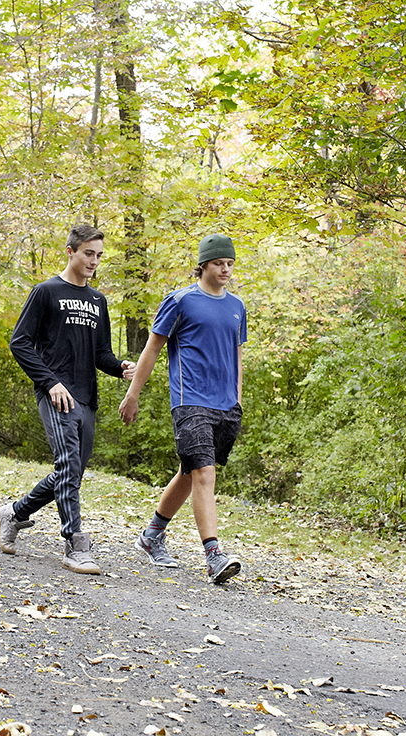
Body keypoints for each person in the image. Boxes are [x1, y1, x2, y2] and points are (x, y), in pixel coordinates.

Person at [0, 224, 136, 574]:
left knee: (69, 472)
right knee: (69, 468)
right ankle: (75, 543)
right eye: (89, 253)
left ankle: (14, 513)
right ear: (70, 251)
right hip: (56, 395)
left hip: (87, 397)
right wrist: (50, 383)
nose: (94, 261)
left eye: (99, 255)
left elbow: (100, 353)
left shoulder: (97, 300)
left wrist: (120, 366)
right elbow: (19, 342)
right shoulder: (46, 292)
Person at [119, 234, 246, 584]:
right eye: (219, 263)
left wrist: (237, 398)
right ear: (203, 264)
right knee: (205, 474)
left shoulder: (237, 306)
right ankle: (214, 555)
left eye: (230, 263)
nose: (225, 269)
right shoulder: (180, 301)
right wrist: (133, 394)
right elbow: (152, 349)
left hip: (226, 406)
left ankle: (152, 535)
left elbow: (236, 354)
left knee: (191, 473)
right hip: (190, 401)